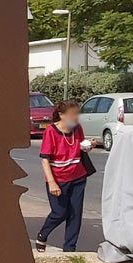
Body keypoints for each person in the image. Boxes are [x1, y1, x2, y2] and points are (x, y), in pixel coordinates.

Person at [35, 99, 95, 253]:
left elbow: (81, 147)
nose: (75, 118)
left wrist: (89, 145)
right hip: (58, 179)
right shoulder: (51, 131)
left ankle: (69, 249)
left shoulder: (77, 128)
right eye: (72, 115)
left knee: (75, 214)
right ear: (61, 115)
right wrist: (51, 182)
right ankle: (42, 234)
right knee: (59, 213)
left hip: (78, 177)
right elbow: (45, 159)